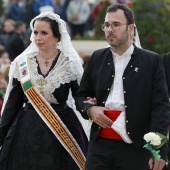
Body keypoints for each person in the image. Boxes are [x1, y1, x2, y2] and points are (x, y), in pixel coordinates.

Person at [75, 3, 170, 170]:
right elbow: (81, 96)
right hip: (100, 145)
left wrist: (159, 150)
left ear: (131, 28)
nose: (109, 29)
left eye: (116, 24)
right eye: (106, 25)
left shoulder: (151, 61)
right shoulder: (97, 58)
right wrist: (90, 110)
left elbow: (160, 107)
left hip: (136, 147)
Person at [0, 11, 94, 170]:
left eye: (44, 33)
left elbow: (80, 97)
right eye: (35, 32)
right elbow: (12, 104)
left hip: (61, 129)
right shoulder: (22, 64)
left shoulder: (69, 64)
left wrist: (89, 107)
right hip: (26, 131)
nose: (38, 37)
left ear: (57, 36)